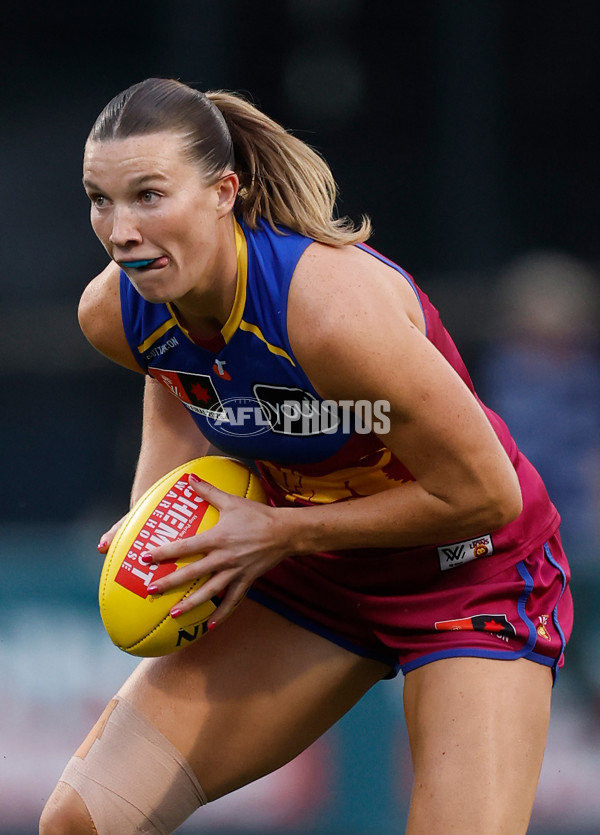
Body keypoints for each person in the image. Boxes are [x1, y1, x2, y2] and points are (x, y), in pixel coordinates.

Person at [40, 77, 572, 835]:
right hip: (314, 571)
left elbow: (487, 494)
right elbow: (176, 377)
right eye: (101, 200)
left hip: (470, 571)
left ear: (224, 192)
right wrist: (155, 515)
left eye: (149, 196)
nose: (121, 230)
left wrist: (281, 531)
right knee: (80, 822)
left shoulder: (328, 314)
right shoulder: (116, 311)